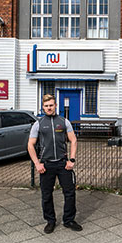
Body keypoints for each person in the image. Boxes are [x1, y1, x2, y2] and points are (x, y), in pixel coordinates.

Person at [27, 94, 82, 234]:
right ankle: (50, 221)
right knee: (46, 195)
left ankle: (68, 220)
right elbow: (30, 145)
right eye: (46, 106)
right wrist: (37, 164)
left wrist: (72, 159)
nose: (49, 108)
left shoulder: (64, 121)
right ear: (43, 107)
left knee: (69, 193)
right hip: (46, 165)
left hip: (63, 164)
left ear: (55, 106)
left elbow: (73, 140)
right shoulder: (38, 124)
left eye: (51, 105)